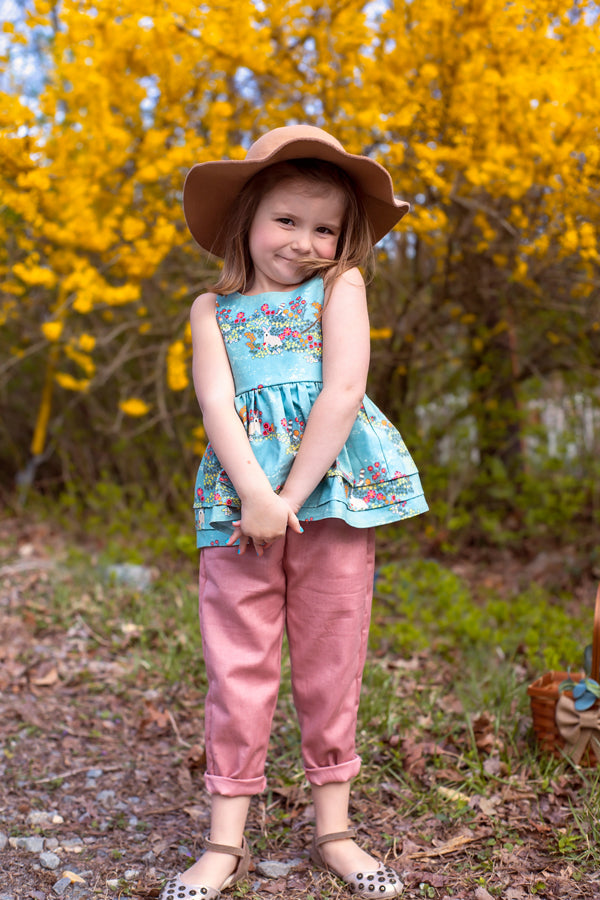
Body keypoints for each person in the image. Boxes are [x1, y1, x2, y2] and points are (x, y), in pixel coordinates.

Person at [160, 124, 428, 900]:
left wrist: (289, 495)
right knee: (236, 665)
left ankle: (333, 829)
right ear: (247, 215)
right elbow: (216, 405)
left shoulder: (340, 288)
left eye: (326, 229)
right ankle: (224, 843)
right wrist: (253, 494)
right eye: (287, 220)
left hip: (332, 501)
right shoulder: (212, 309)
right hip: (237, 506)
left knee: (330, 659)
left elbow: (343, 391)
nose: (307, 242)